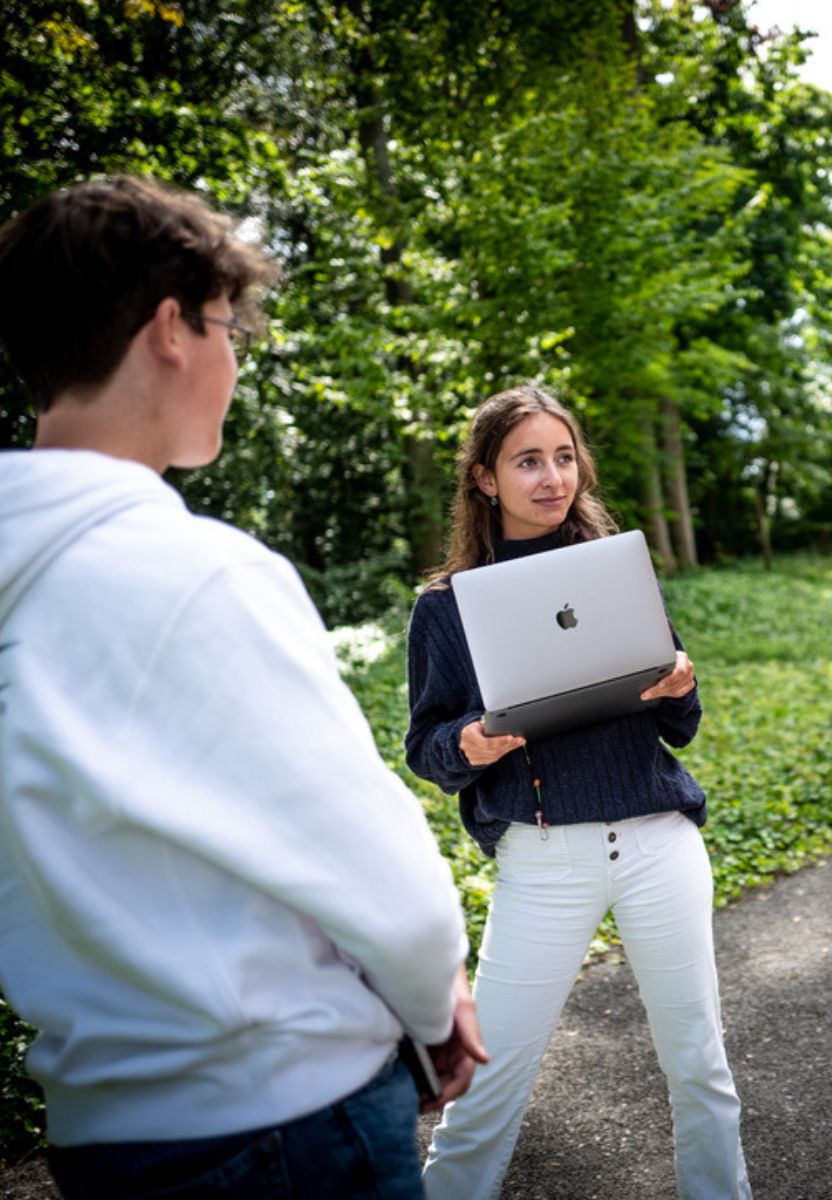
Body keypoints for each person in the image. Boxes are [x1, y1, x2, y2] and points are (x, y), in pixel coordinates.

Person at [0, 175, 487, 1200]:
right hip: (282, 1119)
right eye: (229, 328)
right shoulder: (198, 572)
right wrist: (437, 1003)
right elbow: (374, 869)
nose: (233, 361)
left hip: (100, 1137)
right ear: (171, 329)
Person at [405, 384, 752, 1199]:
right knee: (483, 1094)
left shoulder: (618, 572)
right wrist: (470, 743)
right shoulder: (446, 609)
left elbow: (680, 721)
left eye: (564, 457)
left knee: (700, 1067)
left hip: (658, 842)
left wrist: (681, 687)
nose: (552, 476)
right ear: (485, 479)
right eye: (528, 460)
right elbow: (427, 746)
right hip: (543, 858)